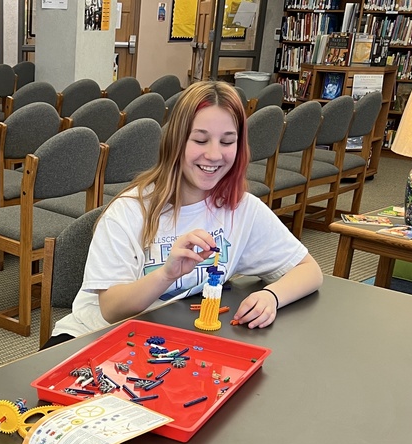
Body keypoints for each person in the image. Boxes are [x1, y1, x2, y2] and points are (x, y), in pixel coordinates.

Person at [48, 80, 322, 345]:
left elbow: (309, 270)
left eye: (227, 142)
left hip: (164, 342)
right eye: (200, 140)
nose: (215, 155)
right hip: (91, 338)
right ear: (176, 142)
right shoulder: (130, 211)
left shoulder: (241, 208)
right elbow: (111, 309)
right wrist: (166, 275)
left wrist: (272, 296)